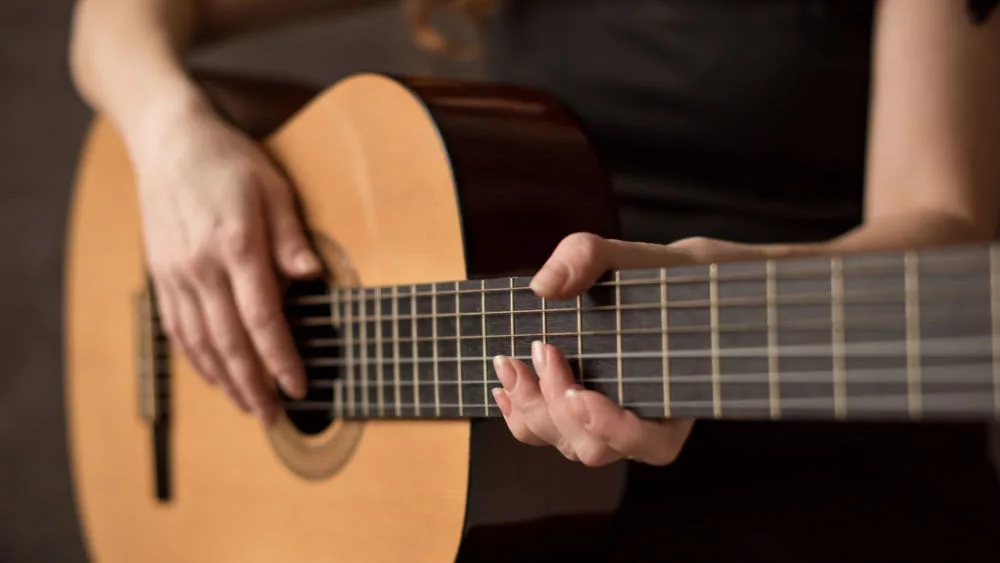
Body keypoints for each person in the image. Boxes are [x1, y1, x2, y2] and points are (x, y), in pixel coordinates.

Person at [68, 0, 1000, 560]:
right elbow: (112, 18)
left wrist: (708, 278)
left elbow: (948, 224)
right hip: (515, 490)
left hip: (818, 448)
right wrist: (171, 137)